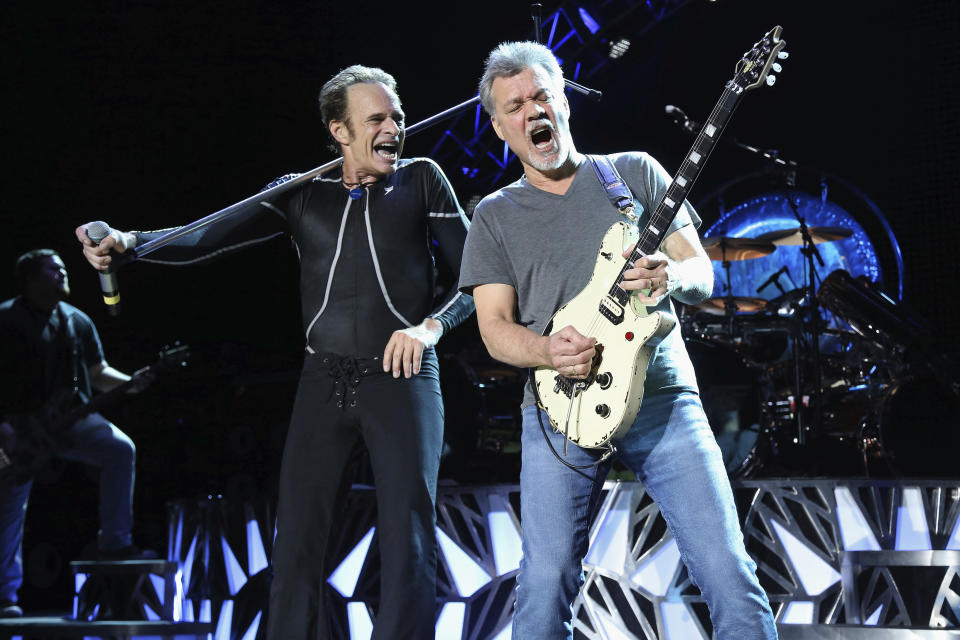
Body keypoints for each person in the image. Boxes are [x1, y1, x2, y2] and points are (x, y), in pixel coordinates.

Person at [75, 65, 473, 639]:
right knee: (296, 544)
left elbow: (477, 279)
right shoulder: (302, 191)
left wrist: (432, 328)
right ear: (339, 130)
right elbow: (208, 234)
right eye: (377, 119)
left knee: (407, 538)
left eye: (398, 117)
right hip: (323, 380)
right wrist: (132, 245)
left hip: (402, 375)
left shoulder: (422, 180)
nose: (395, 128)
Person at [458, 42, 778, 639]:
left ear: (564, 104)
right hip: (560, 408)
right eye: (516, 106)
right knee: (545, 585)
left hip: (662, 403)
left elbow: (701, 274)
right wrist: (548, 351)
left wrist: (671, 275)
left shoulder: (631, 172)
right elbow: (494, 328)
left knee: (729, 572)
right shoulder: (495, 216)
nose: (533, 112)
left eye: (541, 96)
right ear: (501, 127)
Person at [0, 249, 152, 618]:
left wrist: (132, 383)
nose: (63, 274)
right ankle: (4, 596)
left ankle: (115, 543)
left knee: (120, 450)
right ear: (31, 278)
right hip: (20, 428)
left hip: (73, 420)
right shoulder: (5, 320)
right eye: (55, 270)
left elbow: (97, 372)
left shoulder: (77, 321)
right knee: (8, 509)